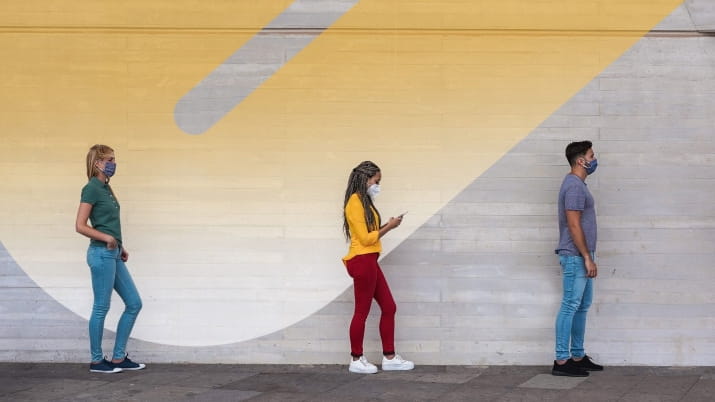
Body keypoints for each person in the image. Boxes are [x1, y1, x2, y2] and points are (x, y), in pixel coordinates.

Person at [75, 144, 145, 373]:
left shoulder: (106, 189)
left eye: (114, 159)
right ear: (97, 163)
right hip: (100, 253)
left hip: (113, 253)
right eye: (109, 160)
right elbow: (80, 226)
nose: (114, 164)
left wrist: (120, 246)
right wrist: (107, 238)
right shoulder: (91, 188)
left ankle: (118, 357)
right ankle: (97, 360)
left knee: (134, 303)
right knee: (101, 307)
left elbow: (110, 223)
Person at [341, 161, 414, 374]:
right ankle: (356, 359)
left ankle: (389, 357)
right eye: (376, 181)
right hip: (362, 261)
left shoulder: (364, 202)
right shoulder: (355, 202)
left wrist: (387, 225)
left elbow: (370, 235)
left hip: (369, 260)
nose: (378, 185)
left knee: (389, 307)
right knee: (361, 312)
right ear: (366, 178)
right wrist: (389, 228)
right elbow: (364, 239)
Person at [552, 141, 604, 377]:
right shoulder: (573, 186)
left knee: (582, 306)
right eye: (591, 155)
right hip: (575, 256)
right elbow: (573, 224)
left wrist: (589, 255)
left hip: (583, 255)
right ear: (581, 160)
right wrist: (586, 257)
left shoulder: (579, 185)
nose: (594, 159)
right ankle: (562, 361)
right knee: (570, 305)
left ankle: (577, 355)